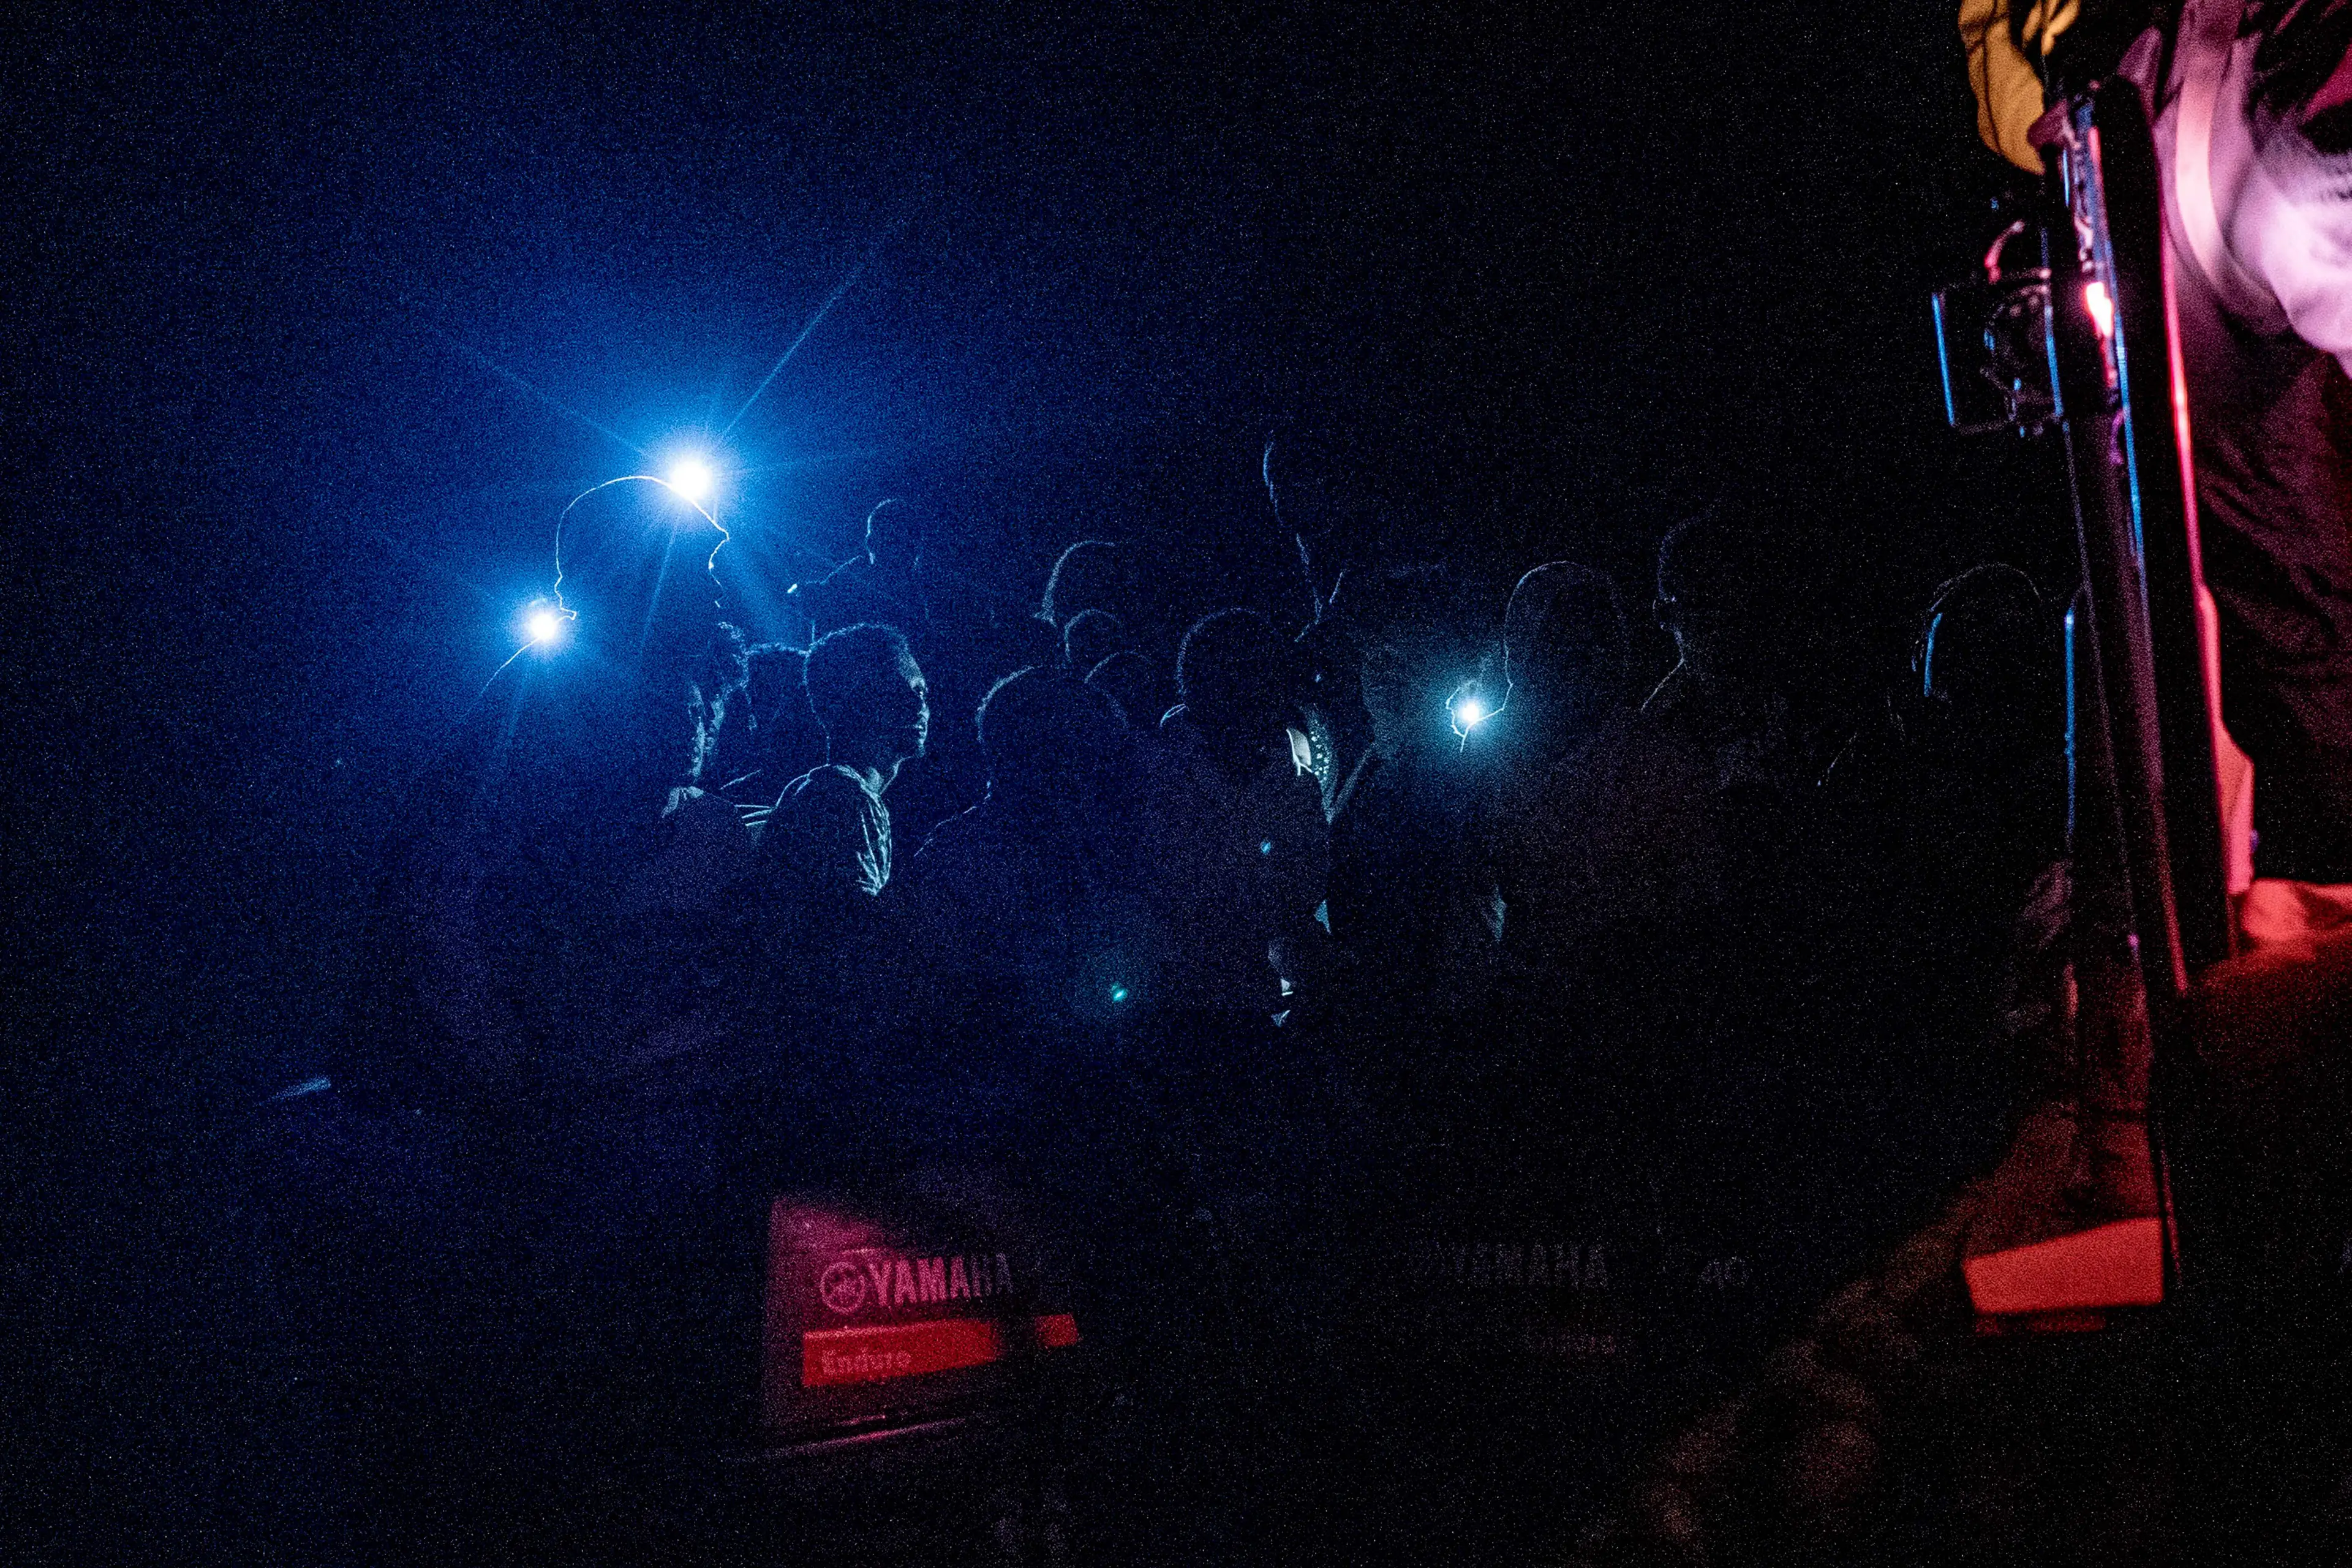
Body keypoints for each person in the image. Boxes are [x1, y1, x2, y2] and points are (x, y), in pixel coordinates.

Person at [1322, 565, 1494, 1012]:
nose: (1383, 678)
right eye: (1374, 659)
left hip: (1435, 1011)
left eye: (1403, 664)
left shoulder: (1460, 770)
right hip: (1383, 1008)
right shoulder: (1375, 765)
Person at [1144, 609, 1332, 1022]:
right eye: (1261, 688)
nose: (1276, 704)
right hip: (1193, 1015)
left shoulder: (1288, 770)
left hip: (1260, 1003)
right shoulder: (1158, 785)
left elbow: (1303, 890)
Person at [785, 497, 931, 649]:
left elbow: (810, 597)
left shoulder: (914, 591)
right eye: (898, 541)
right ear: (872, 543)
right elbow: (812, 597)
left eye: (912, 542)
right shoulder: (853, 577)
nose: (912, 550)